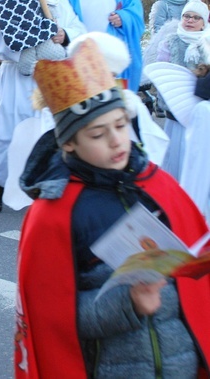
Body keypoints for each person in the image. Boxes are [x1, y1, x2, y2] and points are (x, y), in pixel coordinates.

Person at [15, 42, 210, 378]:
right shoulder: (54, 214)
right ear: (69, 143)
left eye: (121, 125)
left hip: (183, 364)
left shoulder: (159, 185)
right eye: (98, 134)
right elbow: (53, 319)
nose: (117, 141)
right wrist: (128, 303)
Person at [0, 0, 86, 212]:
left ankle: (44, 184)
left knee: (50, 131)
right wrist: (27, 46)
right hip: (19, 72)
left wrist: (64, 36)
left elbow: (76, 28)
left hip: (51, 73)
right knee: (9, 132)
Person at [145, 0, 210, 180]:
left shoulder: (206, 44)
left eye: (196, 17)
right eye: (187, 16)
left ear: (204, 22)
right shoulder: (170, 41)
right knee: (175, 157)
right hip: (175, 111)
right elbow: (163, 72)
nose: (190, 20)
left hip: (200, 112)